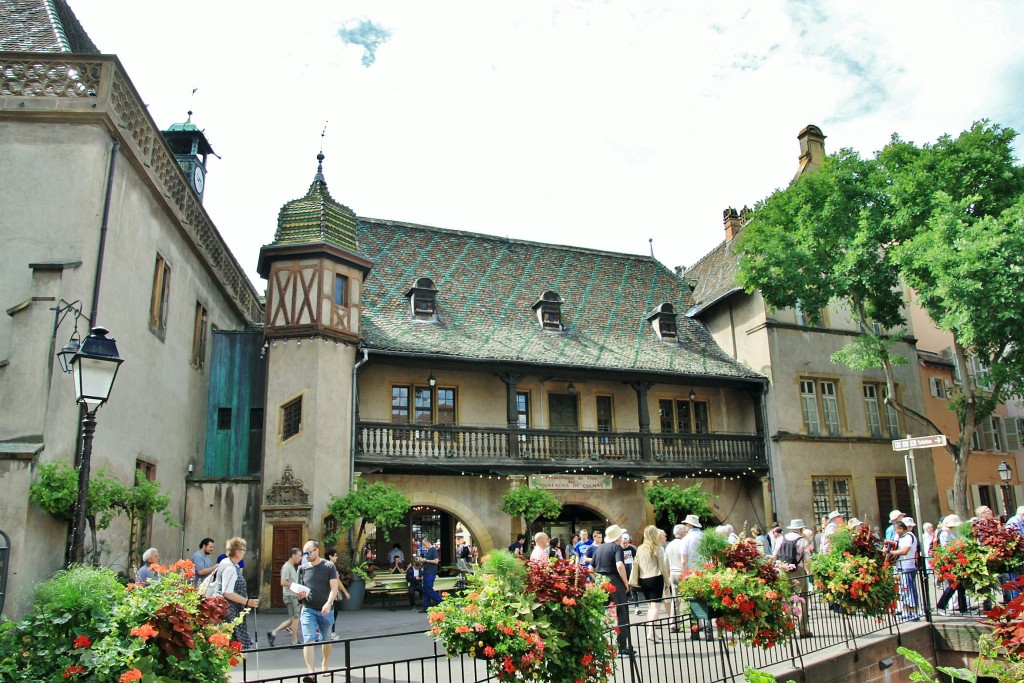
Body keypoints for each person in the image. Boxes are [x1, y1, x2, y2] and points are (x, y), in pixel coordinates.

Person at [297, 540, 344, 681]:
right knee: (308, 639)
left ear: (317, 550)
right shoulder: (302, 569)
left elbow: (334, 588)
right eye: (305, 553)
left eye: (309, 552)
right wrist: (299, 595)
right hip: (308, 609)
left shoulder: (329, 566)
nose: (306, 555)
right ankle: (311, 673)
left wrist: (329, 603)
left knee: (326, 639)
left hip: (325, 609)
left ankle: (325, 663)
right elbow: (300, 589)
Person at [592, 525, 632, 657]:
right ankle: (622, 647)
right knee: (622, 613)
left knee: (598, 613)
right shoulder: (617, 547)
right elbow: (619, 565)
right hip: (614, 579)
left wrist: (597, 579)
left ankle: (595, 645)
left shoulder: (599, 549)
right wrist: (626, 583)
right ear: (618, 537)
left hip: (600, 580)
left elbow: (591, 568)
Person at [219, 537, 258, 650]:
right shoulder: (230, 567)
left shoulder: (227, 564)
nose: (244, 552)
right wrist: (247, 602)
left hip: (232, 610)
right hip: (229, 612)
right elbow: (227, 592)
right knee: (229, 645)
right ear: (237, 552)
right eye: (243, 550)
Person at [635, 525, 669, 642]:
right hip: (655, 578)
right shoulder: (657, 548)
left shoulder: (640, 548)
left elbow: (636, 563)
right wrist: (667, 581)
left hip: (643, 579)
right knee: (655, 607)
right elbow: (663, 567)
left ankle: (653, 632)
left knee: (650, 606)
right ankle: (651, 632)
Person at [677, 515, 709, 639]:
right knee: (706, 601)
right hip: (705, 572)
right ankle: (708, 631)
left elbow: (683, 561)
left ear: (690, 526)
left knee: (693, 602)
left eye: (686, 524)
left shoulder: (686, 539)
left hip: (691, 574)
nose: (685, 526)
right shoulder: (705, 537)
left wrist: (684, 576)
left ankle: (694, 632)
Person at [781, 520, 813, 638]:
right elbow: (807, 559)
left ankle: (788, 629)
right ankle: (803, 629)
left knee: (786, 599)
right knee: (802, 598)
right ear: (800, 529)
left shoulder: (782, 539)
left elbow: (775, 554)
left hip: (784, 570)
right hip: (798, 570)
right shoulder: (802, 540)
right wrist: (809, 571)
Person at [268, 547, 302, 646]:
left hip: (292, 595)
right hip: (290, 595)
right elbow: (283, 582)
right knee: (295, 618)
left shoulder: (291, 567)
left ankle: (273, 633)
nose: (300, 558)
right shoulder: (287, 567)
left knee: (293, 618)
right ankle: (294, 641)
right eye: (299, 556)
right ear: (293, 555)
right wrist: (295, 587)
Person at [935, 515, 968, 614]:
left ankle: (963, 608)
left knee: (960, 585)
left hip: (955, 561)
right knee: (953, 585)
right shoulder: (944, 534)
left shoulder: (952, 533)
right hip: (949, 561)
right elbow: (946, 547)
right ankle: (940, 606)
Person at [890, 520, 919, 619]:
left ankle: (915, 612)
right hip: (901, 567)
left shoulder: (908, 537)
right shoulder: (902, 538)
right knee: (904, 590)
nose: (896, 532)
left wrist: (892, 553)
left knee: (909, 590)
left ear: (901, 528)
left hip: (907, 566)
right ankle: (906, 612)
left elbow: (905, 551)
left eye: (896, 530)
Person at [324, 549, 352, 639]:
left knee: (330, 613)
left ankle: (328, 632)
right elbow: (337, 581)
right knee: (333, 613)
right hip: (331, 594)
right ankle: (330, 633)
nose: (337, 557)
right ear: (330, 556)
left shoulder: (324, 565)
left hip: (326, 593)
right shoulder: (331, 566)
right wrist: (345, 592)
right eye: (335, 555)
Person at [665, 523, 687, 624]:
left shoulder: (669, 545)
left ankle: (674, 622)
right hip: (681, 572)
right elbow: (685, 560)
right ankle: (692, 622)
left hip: (673, 573)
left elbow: (666, 562)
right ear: (682, 532)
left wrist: (668, 576)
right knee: (688, 599)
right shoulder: (683, 543)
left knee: (675, 599)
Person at [419, 537, 444, 612]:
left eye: (424, 544)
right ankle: (425, 606)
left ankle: (440, 601)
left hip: (430, 572)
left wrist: (426, 560)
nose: (423, 545)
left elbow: (436, 561)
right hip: (427, 572)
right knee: (426, 589)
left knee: (428, 588)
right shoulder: (430, 550)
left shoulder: (433, 550)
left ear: (427, 543)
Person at [621, 533, 639, 614]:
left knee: (633, 589)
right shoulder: (619, 549)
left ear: (629, 541)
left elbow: (636, 559)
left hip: (631, 570)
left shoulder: (632, 549)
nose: (624, 544)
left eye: (626, 542)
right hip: (623, 571)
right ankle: (625, 608)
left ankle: (636, 607)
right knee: (624, 589)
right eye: (623, 543)